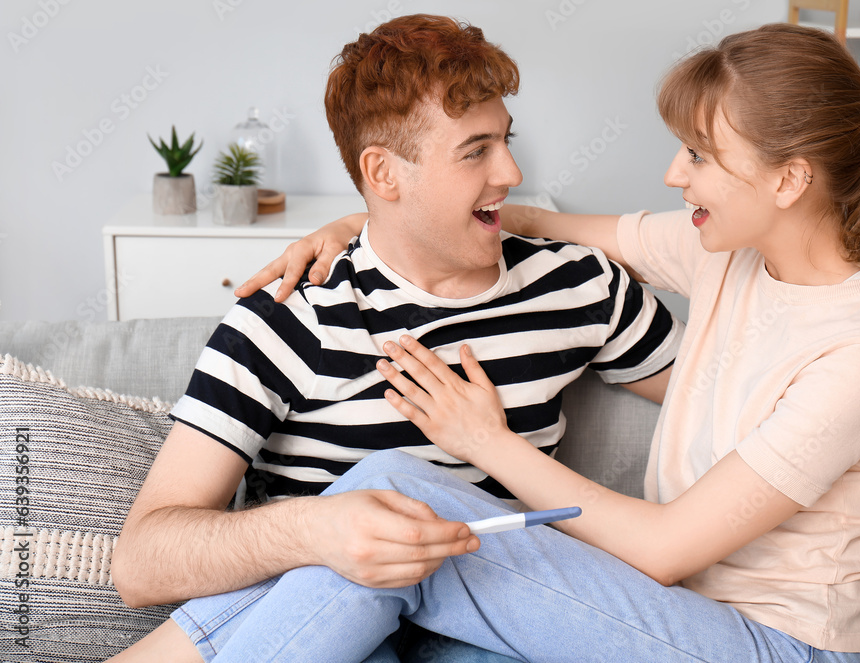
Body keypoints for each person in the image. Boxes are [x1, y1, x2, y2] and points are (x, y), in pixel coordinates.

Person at [120, 21, 860, 662]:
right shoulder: (723, 255)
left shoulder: (841, 331)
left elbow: (681, 524)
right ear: (386, 173)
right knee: (381, 536)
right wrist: (371, 222)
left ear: (789, 180)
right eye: (477, 151)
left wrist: (481, 441)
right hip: (426, 621)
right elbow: (557, 225)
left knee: (396, 498)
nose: (673, 174)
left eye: (697, 153)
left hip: (762, 641)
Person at [109, 14, 682, 663]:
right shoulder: (290, 314)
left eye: (506, 140)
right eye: (476, 150)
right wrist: (314, 530)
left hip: (493, 620)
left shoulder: (579, 285)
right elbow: (143, 562)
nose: (510, 171)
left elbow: (726, 402)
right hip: (325, 619)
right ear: (383, 174)